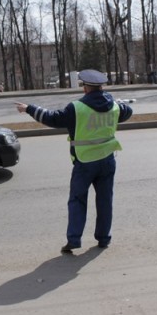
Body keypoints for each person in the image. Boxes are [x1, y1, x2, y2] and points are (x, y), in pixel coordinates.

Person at [14, 69, 133, 253]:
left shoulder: (77, 108)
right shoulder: (114, 106)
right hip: (107, 159)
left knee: (77, 200)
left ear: (85, 87)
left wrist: (29, 108)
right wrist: (117, 102)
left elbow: (52, 118)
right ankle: (103, 238)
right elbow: (128, 112)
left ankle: (74, 240)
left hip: (85, 161)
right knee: (105, 200)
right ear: (101, 87)